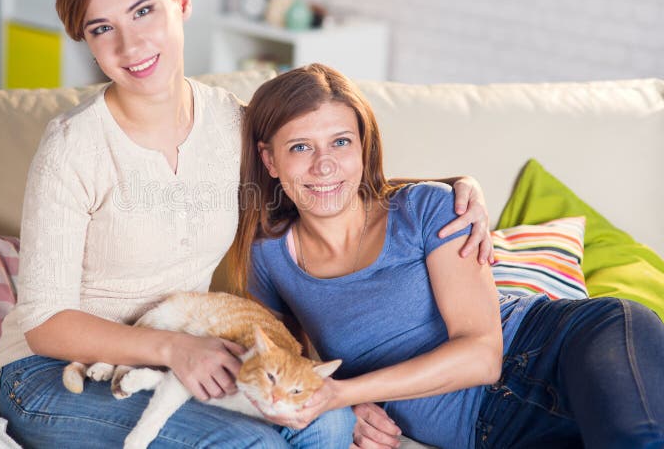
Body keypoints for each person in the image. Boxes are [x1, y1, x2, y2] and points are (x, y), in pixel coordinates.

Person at [0, 0, 495, 448]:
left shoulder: (232, 125)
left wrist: (458, 186)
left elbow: (320, 176)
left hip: (183, 353)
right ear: (89, 42)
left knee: (329, 422)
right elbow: (44, 322)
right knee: (249, 443)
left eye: (144, 11)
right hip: (52, 376)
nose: (130, 44)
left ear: (182, 3)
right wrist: (171, 349)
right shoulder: (73, 148)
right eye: (102, 28)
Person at [230, 63, 664, 449]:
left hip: (567, 344)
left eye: (341, 142)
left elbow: (482, 356)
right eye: (300, 147)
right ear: (269, 160)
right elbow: (280, 363)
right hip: (495, 430)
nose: (324, 165)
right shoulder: (268, 258)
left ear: (363, 147)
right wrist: (343, 408)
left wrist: (345, 395)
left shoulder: (426, 208)